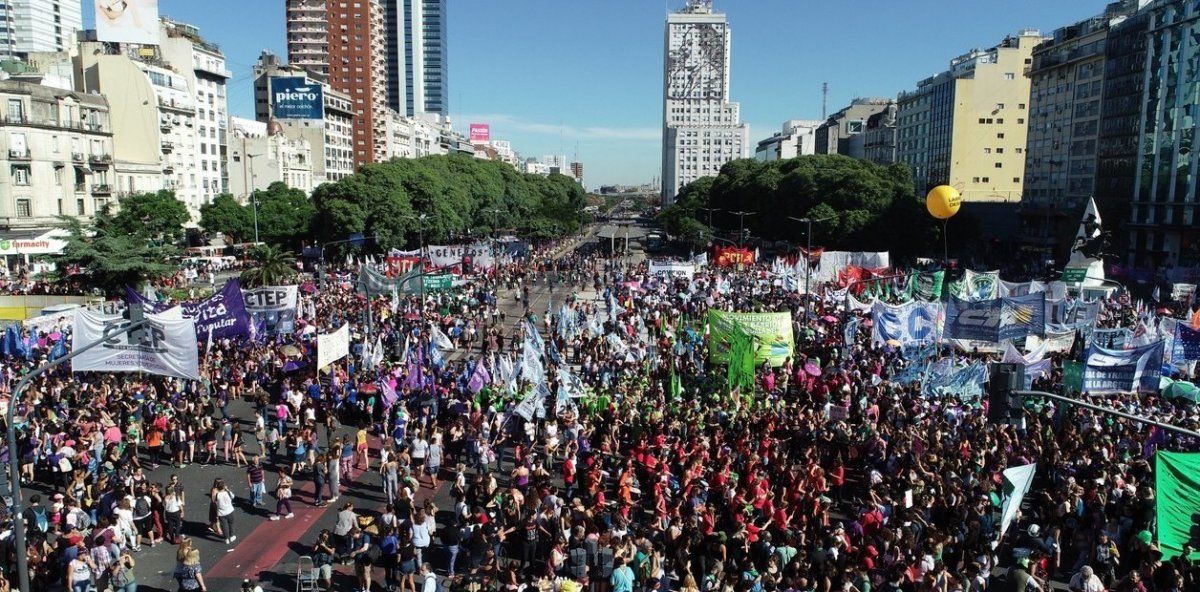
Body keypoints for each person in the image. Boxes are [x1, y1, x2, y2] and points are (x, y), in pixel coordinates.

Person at [213, 479, 237, 544]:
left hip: (221, 513)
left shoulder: (217, 495)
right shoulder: (228, 493)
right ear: (224, 487)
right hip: (230, 511)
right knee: (231, 524)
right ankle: (231, 536)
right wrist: (228, 489)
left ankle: (226, 539)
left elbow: (214, 501)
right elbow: (233, 496)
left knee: (224, 526)